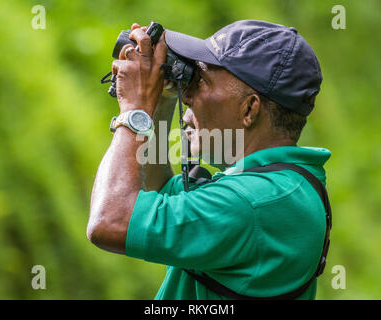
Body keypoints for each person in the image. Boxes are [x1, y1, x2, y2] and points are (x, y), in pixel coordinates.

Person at [87, 20, 331, 300]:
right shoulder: (282, 186)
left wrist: (134, 110)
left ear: (249, 109)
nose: (188, 94)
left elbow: (110, 221)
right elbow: (152, 190)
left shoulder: (251, 203)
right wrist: (164, 97)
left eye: (200, 81)